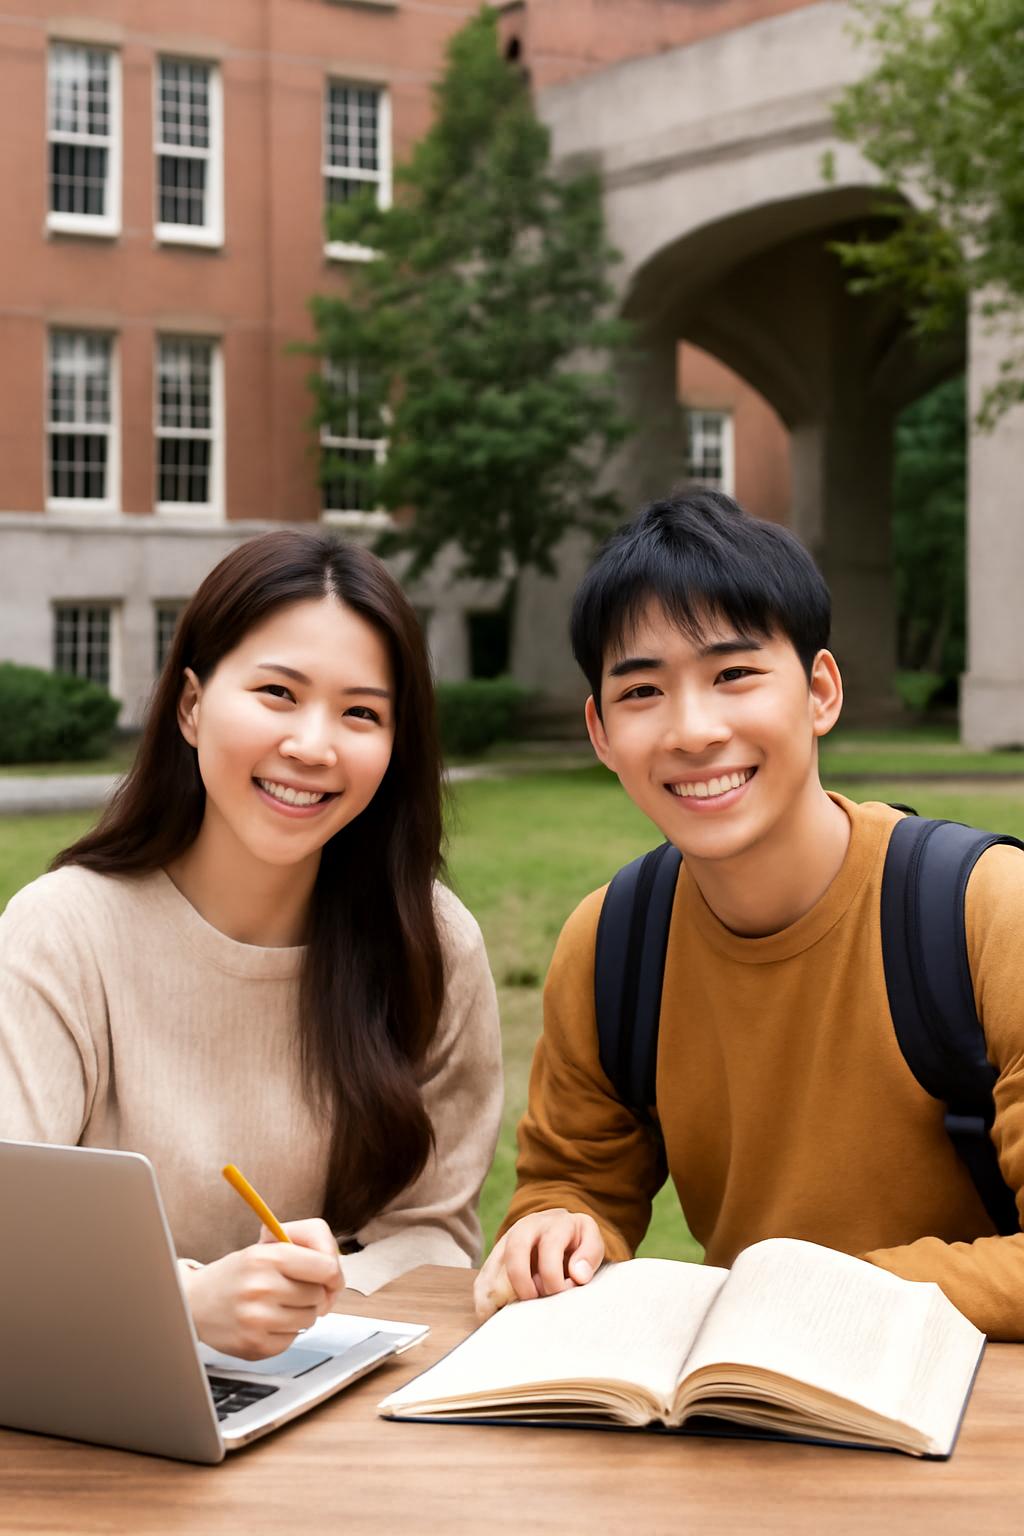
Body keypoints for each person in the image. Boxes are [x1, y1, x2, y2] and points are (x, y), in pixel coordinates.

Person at [475, 491, 1024, 1339]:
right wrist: (557, 1231)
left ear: (819, 692)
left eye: (734, 675)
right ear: (601, 733)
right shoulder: (614, 941)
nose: (694, 731)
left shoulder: (986, 909)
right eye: (643, 691)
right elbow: (570, 1182)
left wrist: (818, 1296)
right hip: (743, 1404)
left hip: (968, 1419)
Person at [0, 530, 502, 1359]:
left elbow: (433, 1233)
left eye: (361, 712)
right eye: (277, 692)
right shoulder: (61, 934)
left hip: (334, 1407)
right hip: (106, 1401)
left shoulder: (433, 942)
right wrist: (184, 1300)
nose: (313, 745)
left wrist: (313, 1304)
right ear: (191, 707)